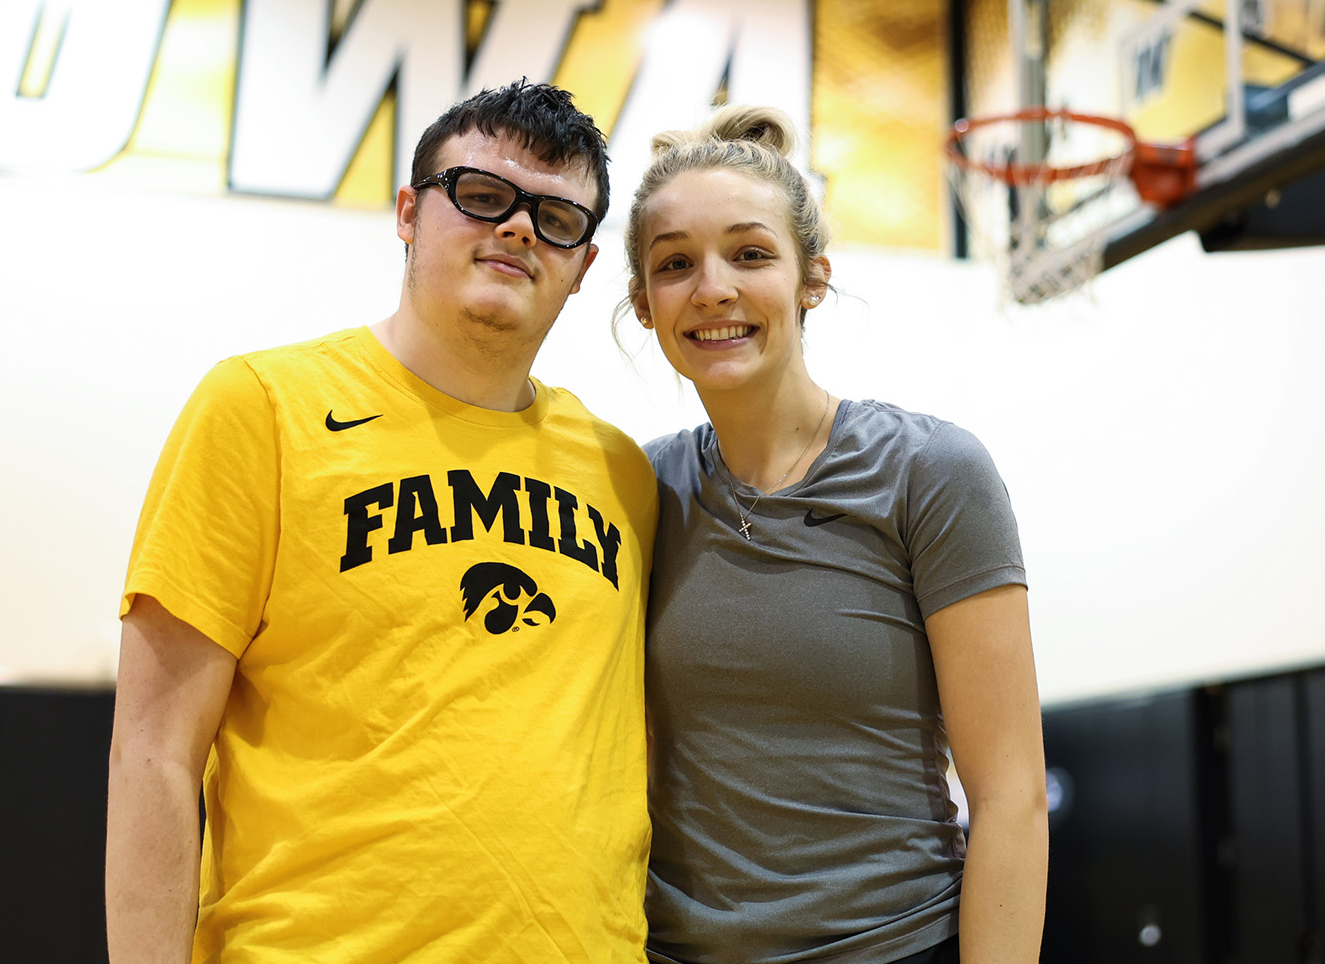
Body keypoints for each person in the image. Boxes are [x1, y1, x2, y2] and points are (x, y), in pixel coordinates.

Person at [105, 81, 660, 964]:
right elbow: (152, 755)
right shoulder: (260, 408)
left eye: (555, 217)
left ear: (584, 266)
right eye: (481, 197)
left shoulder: (624, 474)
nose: (517, 228)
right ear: (409, 212)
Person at [623, 106, 1048, 964]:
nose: (712, 288)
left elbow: (1010, 796)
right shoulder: (635, 489)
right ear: (643, 304)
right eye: (676, 264)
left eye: (750, 254)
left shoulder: (931, 470)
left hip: (895, 947)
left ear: (813, 278)